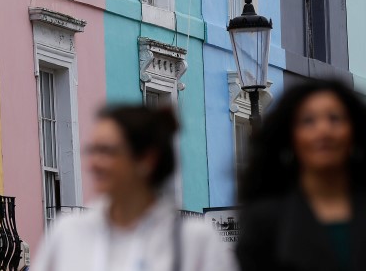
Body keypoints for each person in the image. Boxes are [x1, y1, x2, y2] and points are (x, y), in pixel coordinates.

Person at [237, 79, 366, 271]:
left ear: (354, 132)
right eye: (308, 121)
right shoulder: (264, 221)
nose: (323, 131)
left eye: (335, 119)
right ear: (290, 137)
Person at [31, 105, 237, 271]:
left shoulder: (194, 241)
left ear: (146, 159)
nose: (93, 163)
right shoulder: (68, 233)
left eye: (107, 151)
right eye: (92, 151)